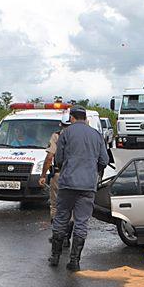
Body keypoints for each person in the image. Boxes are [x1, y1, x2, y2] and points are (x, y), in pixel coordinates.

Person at [49, 106, 109, 271]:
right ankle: (74, 261)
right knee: (81, 222)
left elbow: (59, 159)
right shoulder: (96, 135)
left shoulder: (65, 134)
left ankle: (55, 257)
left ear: (72, 117)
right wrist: (92, 170)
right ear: (85, 118)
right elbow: (104, 160)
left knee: (61, 217)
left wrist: (68, 167)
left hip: (67, 183)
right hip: (88, 185)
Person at [39, 112, 73, 246]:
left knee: (56, 205)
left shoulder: (57, 136)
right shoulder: (81, 136)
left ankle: (57, 235)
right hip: (76, 175)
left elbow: (49, 157)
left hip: (59, 175)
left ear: (61, 125)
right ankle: (67, 237)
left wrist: (43, 175)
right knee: (72, 206)